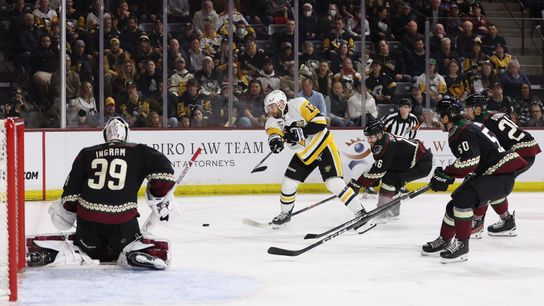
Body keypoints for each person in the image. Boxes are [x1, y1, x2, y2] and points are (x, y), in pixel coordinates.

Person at [27, 117, 177, 270]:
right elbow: (166, 174)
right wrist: (158, 197)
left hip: (89, 230)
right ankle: (130, 253)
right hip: (123, 228)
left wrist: (69, 215)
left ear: (105, 134)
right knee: (127, 244)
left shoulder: (87, 153)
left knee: (62, 215)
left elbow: (69, 198)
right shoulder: (139, 151)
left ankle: (73, 253)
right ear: (126, 134)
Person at [422, 97, 527, 263]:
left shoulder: (460, 131)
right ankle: (444, 239)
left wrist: (447, 173)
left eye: (439, 116)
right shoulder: (465, 126)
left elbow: (470, 162)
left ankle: (462, 246)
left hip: (499, 176)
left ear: (447, 118)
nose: (437, 119)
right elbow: (472, 161)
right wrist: (448, 174)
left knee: (463, 199)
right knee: (454, 203)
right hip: (495, 173)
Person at [263, 90, 367, 228]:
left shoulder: (299, 104)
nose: (270, 110)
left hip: (323, 147)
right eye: (268, 108)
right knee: (288, 183)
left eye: (272, 106)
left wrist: (302, 132)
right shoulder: (271, 122)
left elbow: (321, 121)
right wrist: (276, 144)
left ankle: (361, 212)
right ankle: (285, 214)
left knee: (334, 183)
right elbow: (274, 136)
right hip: (303, 155)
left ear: (281, 103)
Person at [464, 94, 541, 237]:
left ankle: (477, 222)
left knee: (485, 181)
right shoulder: (493, 114)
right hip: (526, 150)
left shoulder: (481, 125)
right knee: (493, 182)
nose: (466, 112)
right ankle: (506, 221)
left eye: (469, 109)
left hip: (518, 155)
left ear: (478, 110)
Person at [349, 119, 433, 223]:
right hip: (408, 162)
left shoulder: (388, 145)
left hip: (422, 164)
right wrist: (368, 179)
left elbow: (378, 172)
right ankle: (392, 212)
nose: (368, 140)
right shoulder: (382, 141)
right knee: (390, 177)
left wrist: (358, 183)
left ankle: (383, 212)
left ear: (379, 134)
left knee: (390, 178)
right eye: (367, 137)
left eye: (371, 137)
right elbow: (379, 166)